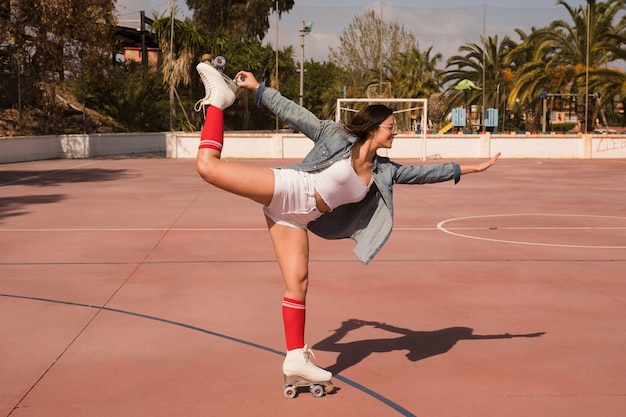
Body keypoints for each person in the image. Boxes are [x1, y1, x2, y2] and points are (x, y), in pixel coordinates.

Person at [193, 58, 500, 390]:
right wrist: (258, 89)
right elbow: (295, 113)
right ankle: (218, 101)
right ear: (373, 128)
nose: (396, 131)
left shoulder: (386, 171)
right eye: (391, 127)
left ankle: (295, 356)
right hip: (289, 187)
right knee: (207, 167)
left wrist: (473, 168)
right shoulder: (335, 134)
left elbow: (427, 174)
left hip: (296, 218)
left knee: (298, 284)